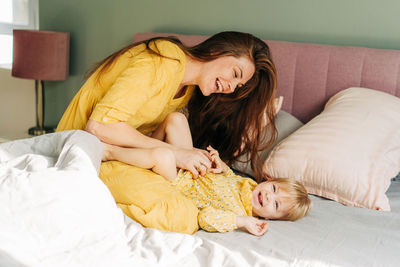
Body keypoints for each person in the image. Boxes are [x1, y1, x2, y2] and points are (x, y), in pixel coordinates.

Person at [56, 31, 278, 234]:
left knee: (181, 191)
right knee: (183, 217)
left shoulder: (187, 86)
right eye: (235, 73)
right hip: (88, 150)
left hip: (126, 154)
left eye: (238, 86)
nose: (230, 87)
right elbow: (98, 127)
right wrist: (176, 152)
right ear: (216, 51)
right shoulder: (163, 62)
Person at [102, 112, 312, 236]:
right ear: (268, 180)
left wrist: (242, 222)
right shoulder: (246, 184)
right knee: (177, 119)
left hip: (178, 182)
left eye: (275, 204)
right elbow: (228, 177)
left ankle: (109, 152)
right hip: (192, 168)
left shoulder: (237, 212)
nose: (268, 196)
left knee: (164, 156)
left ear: (269, 218)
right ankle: (139, 146)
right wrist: (220, 164)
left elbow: (206, 218)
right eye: (274, 189)